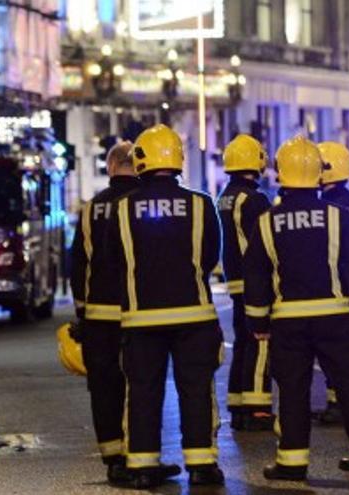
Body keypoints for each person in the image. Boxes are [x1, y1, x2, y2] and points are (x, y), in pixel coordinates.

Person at [244, 136, 349, 481]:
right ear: (318, 173)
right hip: (335, 317)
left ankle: (292, 461)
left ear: (280, 174)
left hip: (288, 321)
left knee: (292, 390)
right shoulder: (339, 217)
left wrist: (257, 320)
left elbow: (257, 274)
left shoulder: (266, 222)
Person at [107, 124, 225, 488]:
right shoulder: (201, 203)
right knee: (196, 389)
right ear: (178, 157)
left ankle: (143, 465)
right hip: (194, 314)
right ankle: (202, 465)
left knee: (143, 390)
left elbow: (114, 260)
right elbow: (210, 256)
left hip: (141, 317)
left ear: (141, 160)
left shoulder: (122, 208)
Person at [69, 141, 143, 485]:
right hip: (139, 312)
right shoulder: (146, 203)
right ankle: (141, 455)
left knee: (104, 387)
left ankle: (113, 458)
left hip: (99, 315)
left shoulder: (90, 209)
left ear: (111, 167)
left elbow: (78, 264)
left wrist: (82, 313)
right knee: (141, 384)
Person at [216, 134, 274, 431]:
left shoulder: (226, 195)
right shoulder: (254, 199)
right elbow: (265, 243)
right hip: (255, 281)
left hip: (235, 279)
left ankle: (238, 403)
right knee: (260, 340)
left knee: (242, 340)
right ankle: (257, 407)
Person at [316, 141, 349, 424]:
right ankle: (336, 402)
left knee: (337, 353)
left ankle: (339, 405)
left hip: (336, 286)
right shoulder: (348, 199)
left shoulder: (332, 205)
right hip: (342, 286)